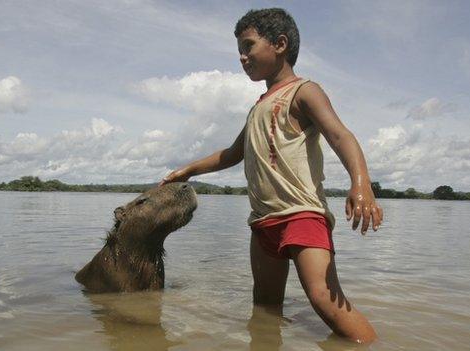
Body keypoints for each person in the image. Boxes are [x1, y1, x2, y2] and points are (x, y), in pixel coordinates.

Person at [160, 8, 382, 344]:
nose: (242, 56)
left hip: (302, 215)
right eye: (240, 49)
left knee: (323, 298)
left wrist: (361, 183)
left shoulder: (304, 91)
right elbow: (232, 154)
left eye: (248, 46)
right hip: (263, 223)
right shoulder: (257, 108)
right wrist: (188, 170)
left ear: (279, 44)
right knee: (264, 308)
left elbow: (340, 135)